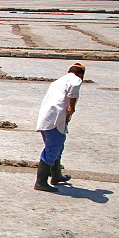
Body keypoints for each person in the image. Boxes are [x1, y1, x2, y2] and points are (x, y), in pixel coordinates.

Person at [34, 63, 85, 192]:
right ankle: (40, 182)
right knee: (53, 148)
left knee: (58, 146)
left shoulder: (59, 81)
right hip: (54, 119)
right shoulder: (75, 79)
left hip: (49, 117)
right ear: (81, 74)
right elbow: (74, 87)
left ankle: (56, 175)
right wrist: (72, 107)